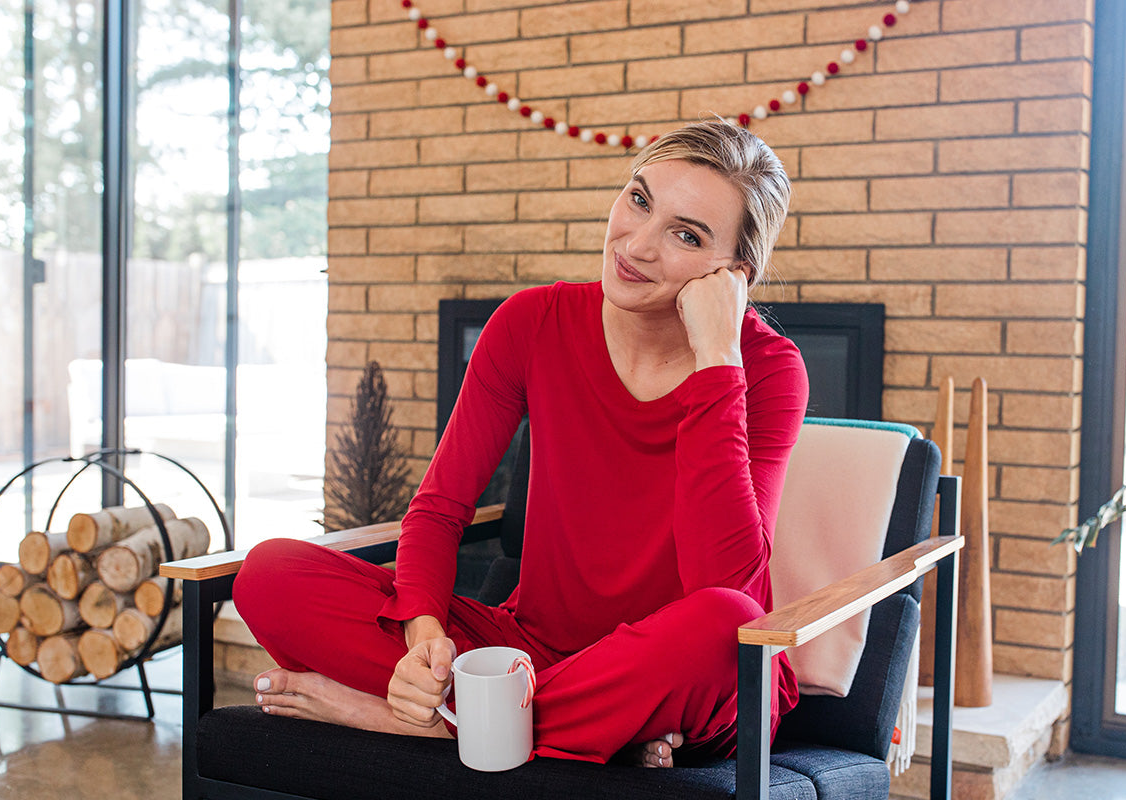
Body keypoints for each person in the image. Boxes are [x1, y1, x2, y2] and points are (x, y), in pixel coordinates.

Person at [233, 120, 808, 768]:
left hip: (686, 672)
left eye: (685, 234)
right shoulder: (532, 324)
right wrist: (423, 632)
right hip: (531, 653)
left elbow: (725, 586)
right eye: (640, 200)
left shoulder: (766, 369)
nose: (637, 244)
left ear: (733, 273)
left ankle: (425, 726)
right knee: (270, 574)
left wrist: (716, 360)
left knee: (723, 628)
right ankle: (579, 730)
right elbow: (440, 508)